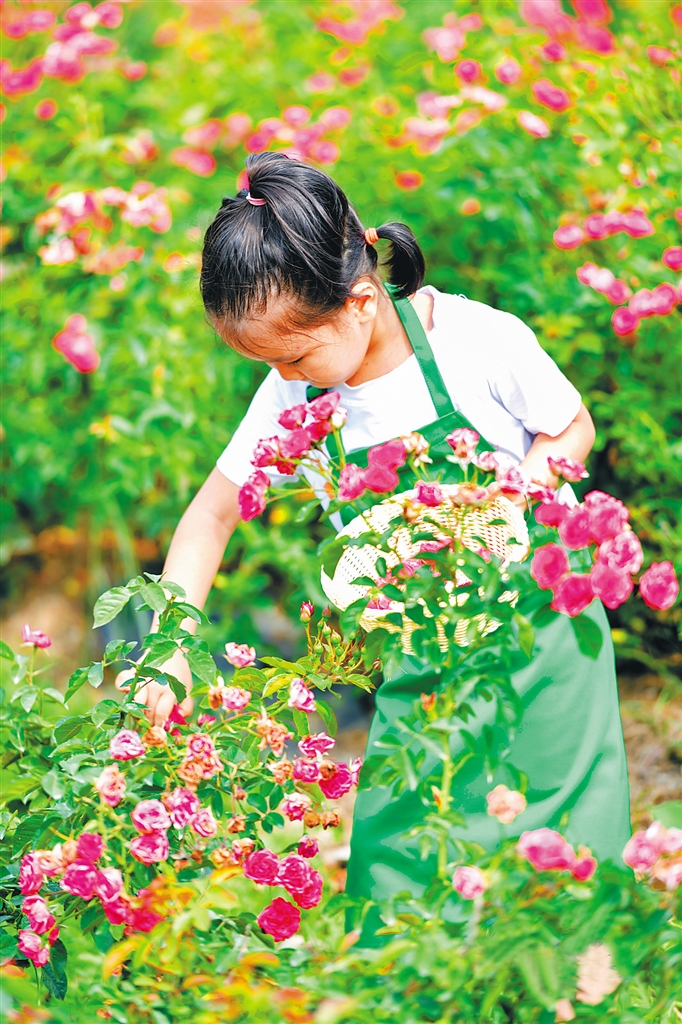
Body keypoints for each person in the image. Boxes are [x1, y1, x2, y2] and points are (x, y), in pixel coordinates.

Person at [117, 152, 630, 936]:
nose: (282, 375)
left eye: (291, 354)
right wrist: (170, 647)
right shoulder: (301, 391)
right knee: (403, 890)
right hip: (423, 664)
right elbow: (208, 518)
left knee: (563, 880)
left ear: (360, 301)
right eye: (266, 362)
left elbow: (570, 427)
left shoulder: (473, 341)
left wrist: (500, 507)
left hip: (542, 647)